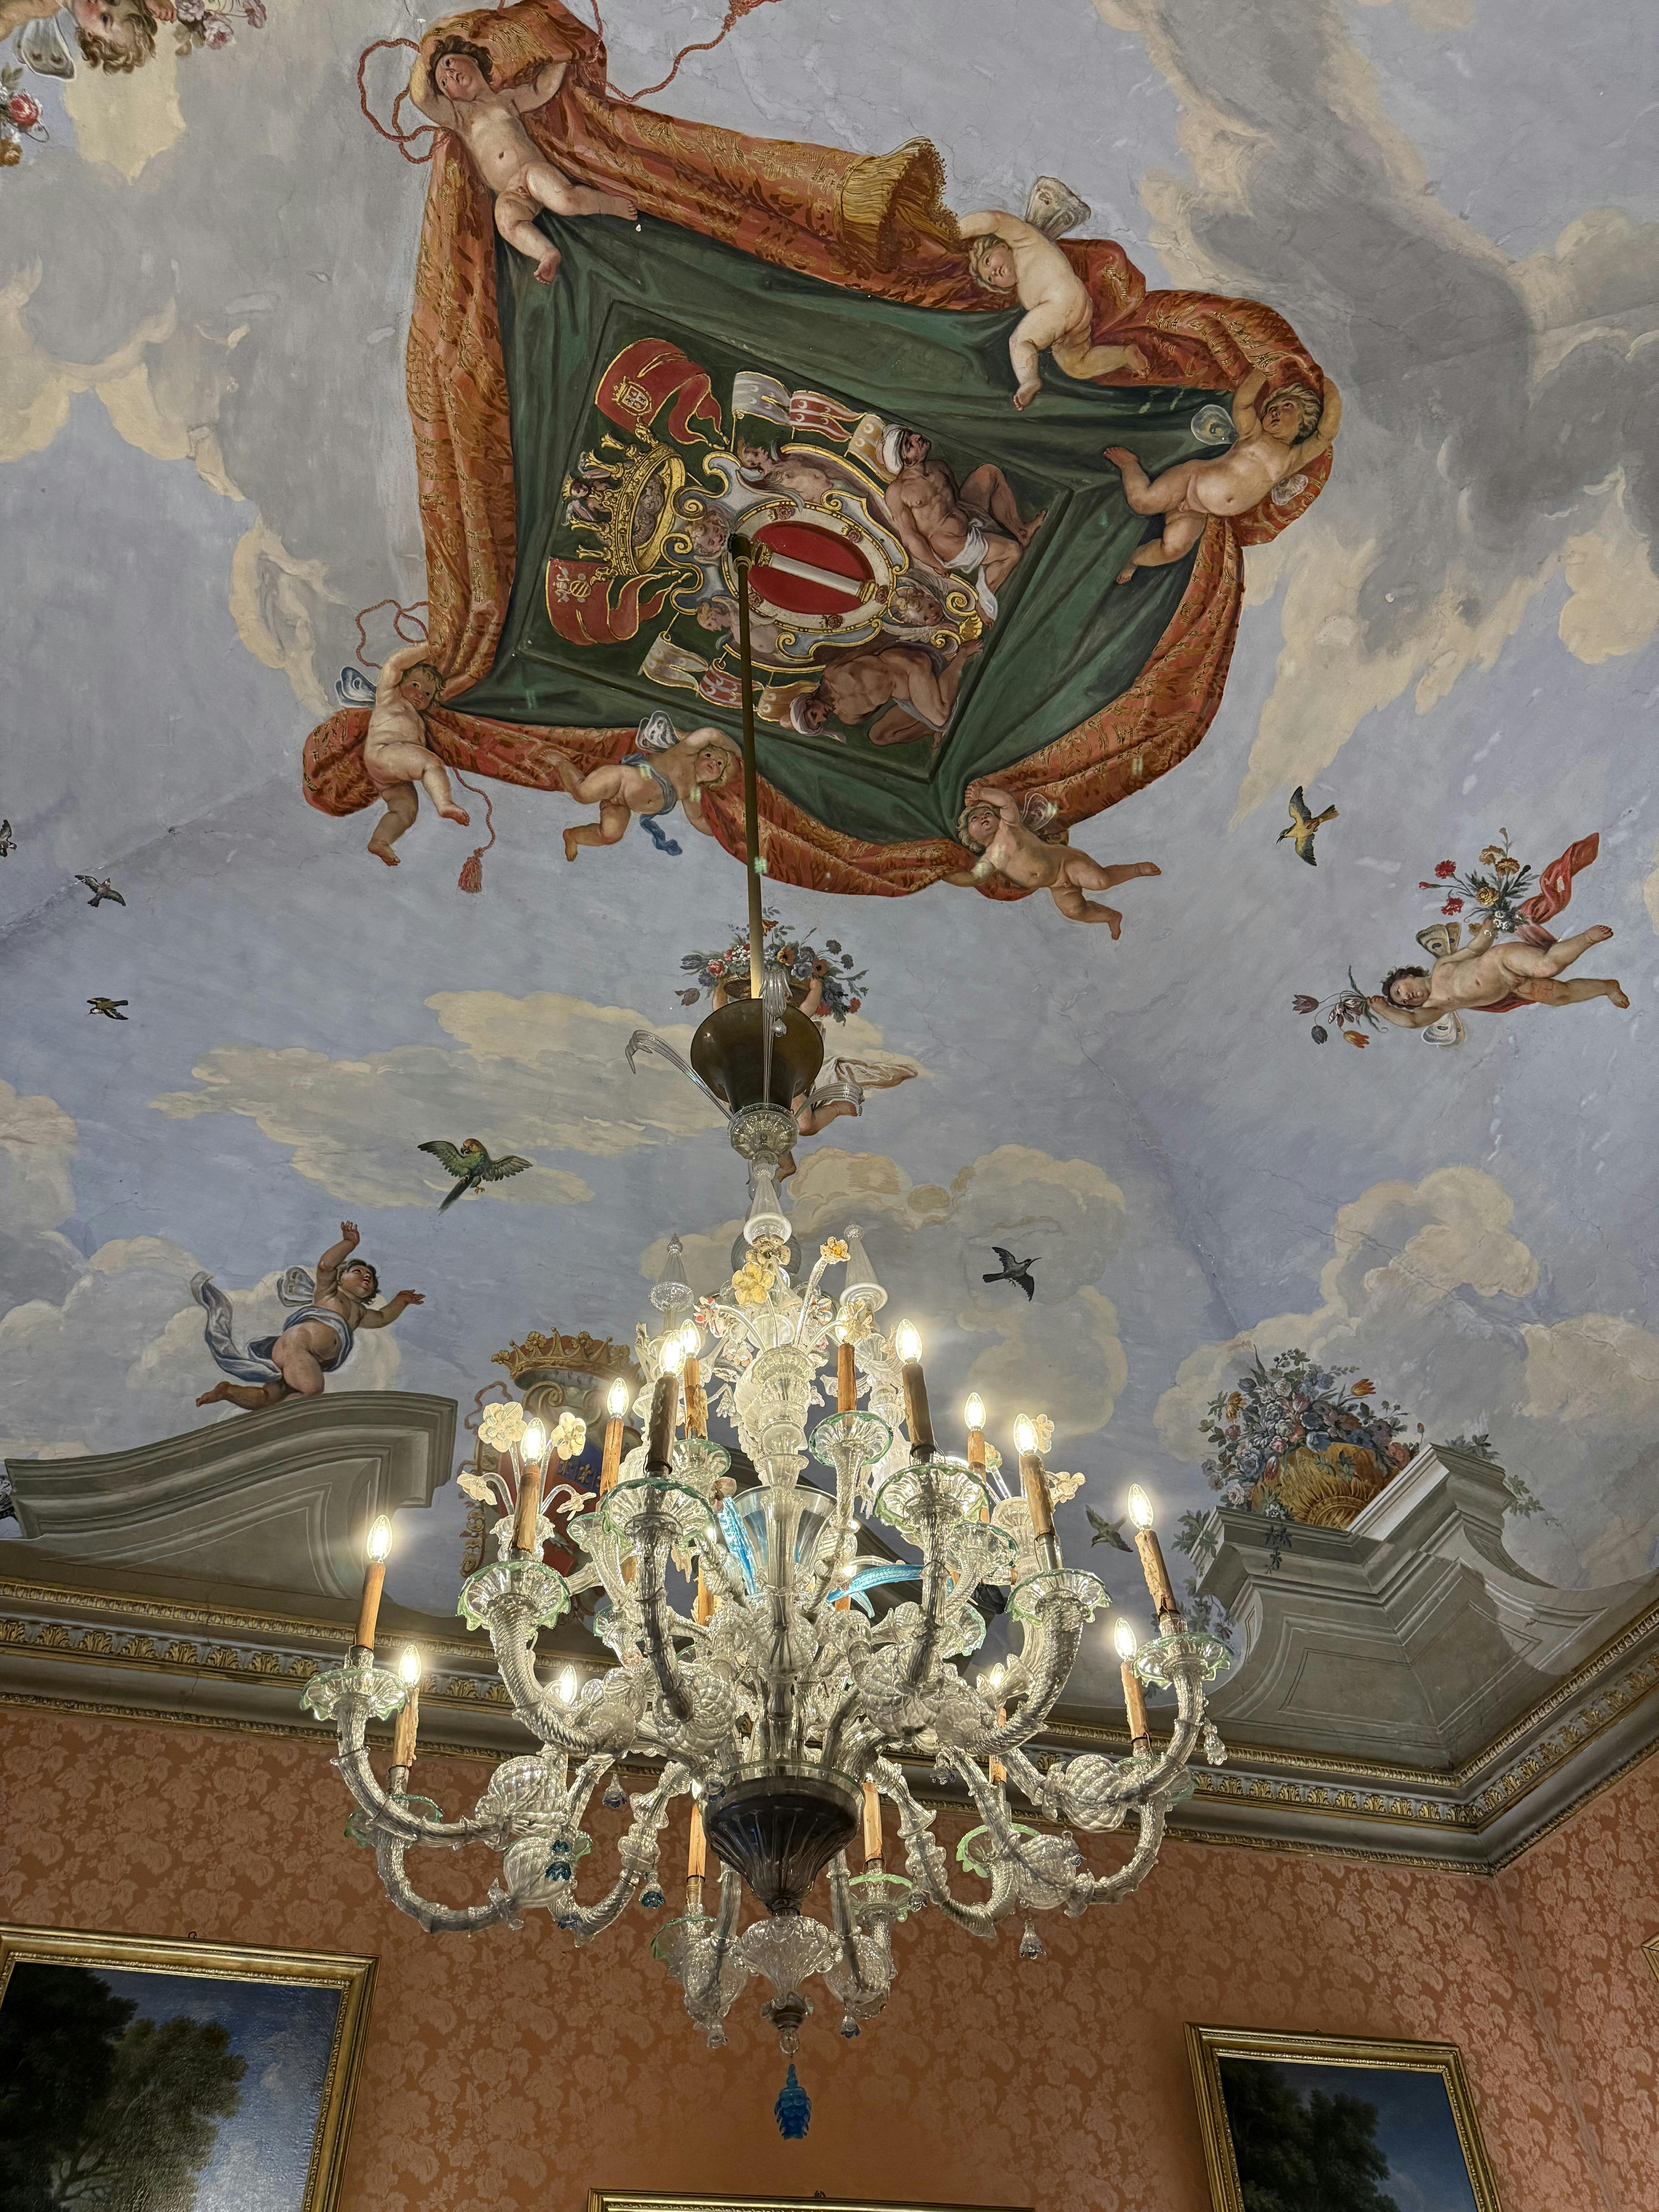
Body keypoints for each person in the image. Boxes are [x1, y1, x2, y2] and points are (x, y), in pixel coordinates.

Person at [409, 35, 637, 283]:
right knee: (505, 219)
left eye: (450, 63)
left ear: (473, 60)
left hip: (531, 172)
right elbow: (422, 98)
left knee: (565, 201)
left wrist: (564, 57)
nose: (449, 75)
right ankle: (547, 253)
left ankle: (609, 205)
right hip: (509, 191)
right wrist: (424, 54)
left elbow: (542, 90)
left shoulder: (506, 99)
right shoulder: (460, 117)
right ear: (448, 97)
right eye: (443, 83)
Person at [1104, 368, 1341, 583]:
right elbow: (1243, 405)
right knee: (1142, 503)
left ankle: (1135, 559)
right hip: (1189, 480)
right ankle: (1129, 464)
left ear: (1304, 423)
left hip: (1200, 510)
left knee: (1174, 550)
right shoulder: (1254, 434)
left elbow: (1325, 434)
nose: (1275, 412)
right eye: (1272, 408)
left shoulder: (1292, 459)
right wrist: (1262, 371)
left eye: (1287, 406)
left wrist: (1328, 388)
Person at [193, 1223, 424, 1412]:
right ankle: (277, 1422)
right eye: (358, 1272)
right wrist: (349, 1244)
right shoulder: (329, 1294)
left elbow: (383, 1317)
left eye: (370, 1278)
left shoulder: (360, 1313)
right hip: (299, 1346)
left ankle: (228, 1392)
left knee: (270, 1397)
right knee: (312, 1390)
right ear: (340, 1279)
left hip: (309, 1359)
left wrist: (402, 1300)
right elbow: (326, 1266)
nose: (366, 1277)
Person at [959, 209, 1149, 408]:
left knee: (1020, 341)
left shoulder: (1025, 242)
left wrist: (957, 230)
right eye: (991, 279)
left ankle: (1029, 381)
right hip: (1078, 311)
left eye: (988, 261)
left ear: (1002, 246)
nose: (994, 272)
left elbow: (996, 221)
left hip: (1061, 302)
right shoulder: (1023, 289)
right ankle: (1124, 355)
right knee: (1076, 365)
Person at [879, 426, 1041, 614]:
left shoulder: (939, 467)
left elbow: (956, 498)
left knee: (989, 473)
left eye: (912, 435)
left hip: (965, 517)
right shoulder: (897, 492)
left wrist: (972, 516)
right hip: (948, 543)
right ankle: (985, 596)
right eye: (910, 444)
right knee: (1014, 552)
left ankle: (1021, 531)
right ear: (905, 461)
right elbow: (911, 537)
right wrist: (936, 564)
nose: (917, 437)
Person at [948, 787, 1159, 929]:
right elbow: (973, 878)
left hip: (1065, 864)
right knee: (1073, 910)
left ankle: (1136, 870)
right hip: (1056, 885)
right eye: (974, 819)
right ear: (969, 837)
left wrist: (982, 793)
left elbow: (1006, 802)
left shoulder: (1009, 828)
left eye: (987, 813)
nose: (983, 817)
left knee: (1100, 882)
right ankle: (1110, 916)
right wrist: (944, 875)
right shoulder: (990, 859)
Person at [1370, 921, 1627, 1025]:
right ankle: (1608, 987)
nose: (1407, 997)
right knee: (1561, 996)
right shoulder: (1437, 1006)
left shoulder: (1442, 967)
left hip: (1502, 960)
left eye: (1400, 990)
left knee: (1546, 966)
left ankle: (1587, 938)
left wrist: (1489, 927)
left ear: (1409, 976)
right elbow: (1412, 1022)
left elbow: (1476, 948)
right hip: (1513, 986)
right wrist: (1384, 1009)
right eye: (1403, 1001)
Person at [553, 725, 740, 859]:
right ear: (698, 754)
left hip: (624, 805)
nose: (713, 762)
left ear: (718, 778)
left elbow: (698, 820)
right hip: (621, 780)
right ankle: (560, 761)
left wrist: (725, 836)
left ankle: (573, 836)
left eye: (720, 764)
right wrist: (739, 754)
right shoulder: (683, 755)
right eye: (709, 755)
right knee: (583, 795)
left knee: (611, 834)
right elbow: (711, 734)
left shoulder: (693, 792)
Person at [362, 642, 471, 866]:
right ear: (400, 683)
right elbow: (394, 665)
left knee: (406, 812)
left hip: (391, 774)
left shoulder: (418, 718)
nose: (421, 694)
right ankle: (445, 803)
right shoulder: (390, 697)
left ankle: (380, 841)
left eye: (428, 694)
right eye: (415, 685)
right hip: (385, 752)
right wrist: (430, 648)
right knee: (430, 763)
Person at [0, 0, 155, 69]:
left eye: (105, 19)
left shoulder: (42, 5)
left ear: (90, 36)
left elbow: (7, 18)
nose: (101, 2)